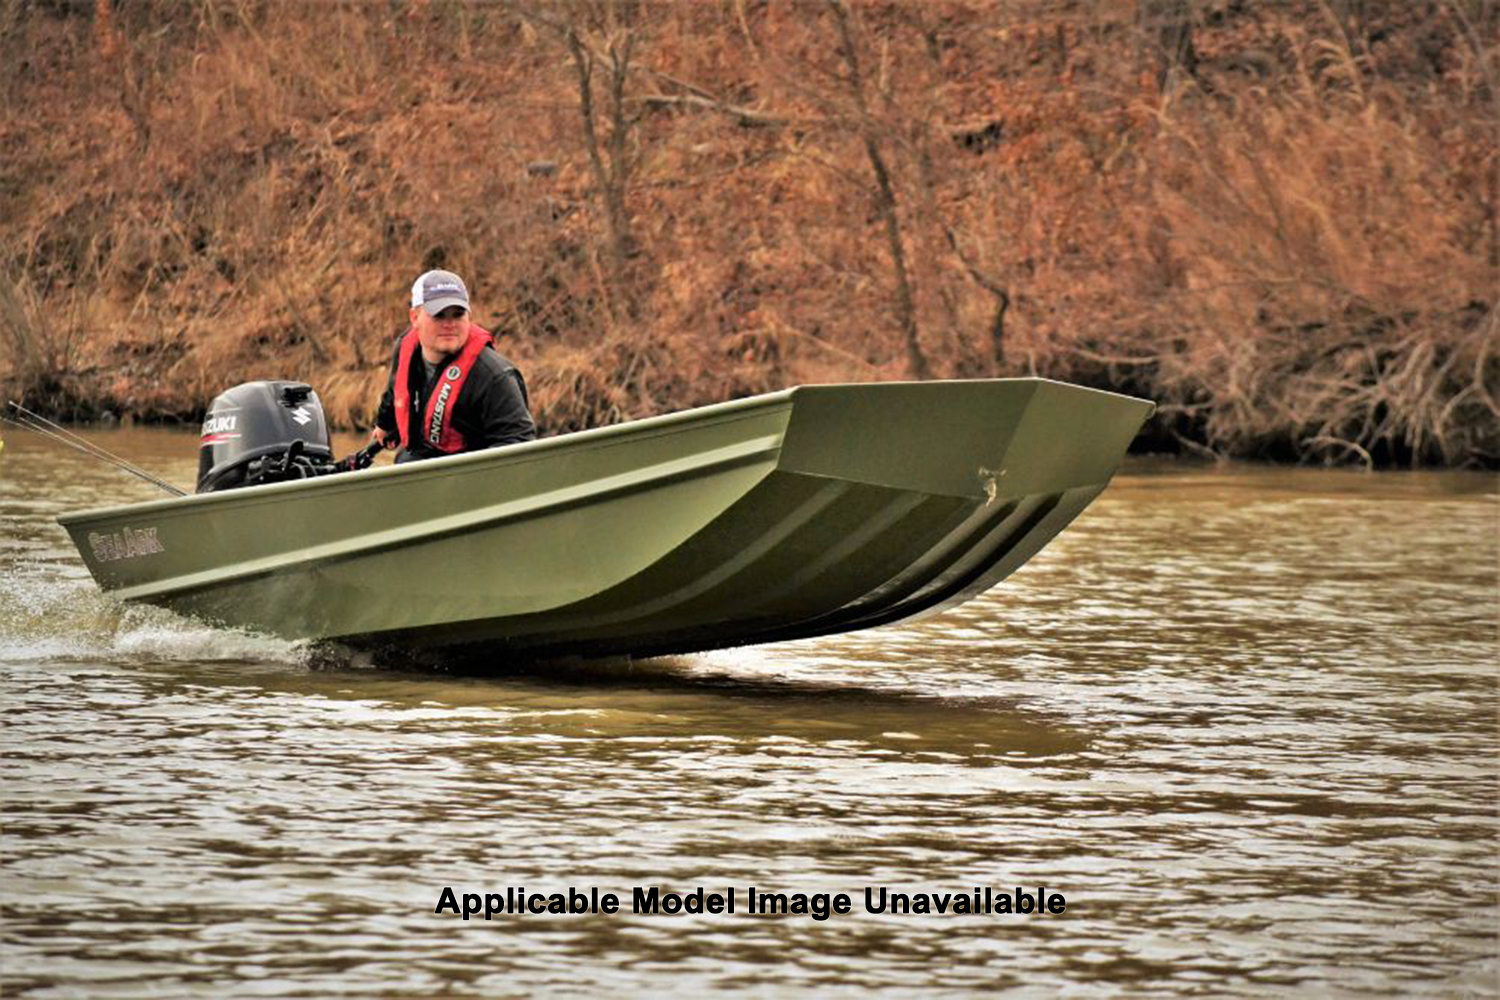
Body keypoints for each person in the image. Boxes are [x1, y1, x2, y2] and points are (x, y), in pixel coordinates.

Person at [371, 269, 536, 463]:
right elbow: (396, 390)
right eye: (439, 315)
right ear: (415, 318)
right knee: (404, 460)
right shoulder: (405, 348)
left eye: (458, 315)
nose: (450, 324)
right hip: (423, 457)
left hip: (472, 472)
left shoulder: (494, 376)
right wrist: (385, 424)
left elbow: (519, 444)